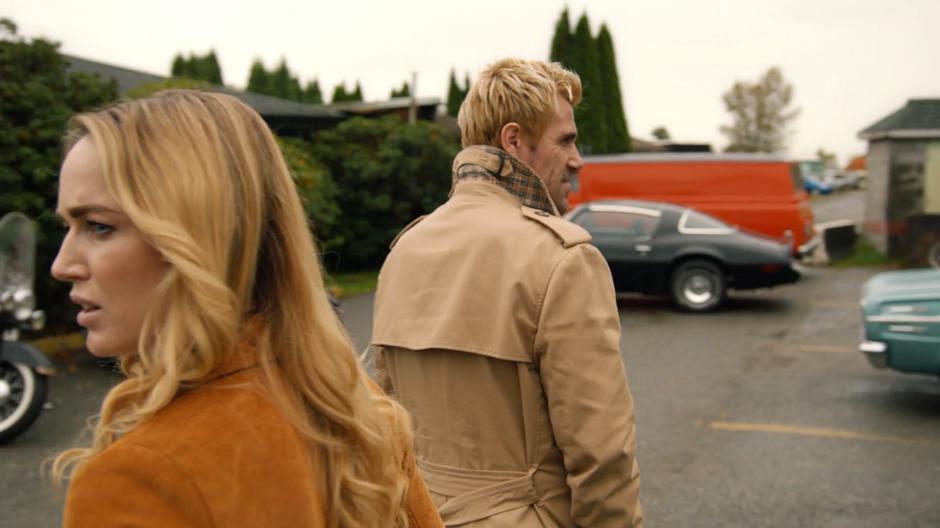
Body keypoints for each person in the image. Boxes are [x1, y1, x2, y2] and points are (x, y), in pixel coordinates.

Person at [51, 90, 443, 528]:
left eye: (99, 226)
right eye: (67, 227)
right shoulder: (351, 405)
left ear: (197, 236)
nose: (62, 265)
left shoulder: (140, 480)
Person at [370, 58, 643, 527]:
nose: (577, 159)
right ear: (514, 140)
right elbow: (602, 456)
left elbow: (377, 414)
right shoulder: (563, 258)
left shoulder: (406, 249)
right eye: (566, 140)